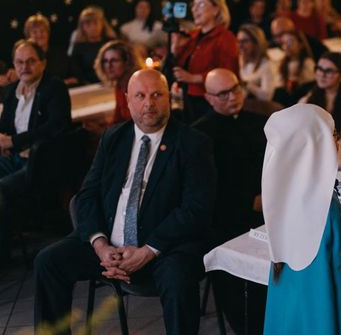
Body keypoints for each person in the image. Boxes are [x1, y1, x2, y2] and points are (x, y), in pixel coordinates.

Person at [34, 69, 216, 335]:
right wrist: (100, 246)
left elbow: (196, 209)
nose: (149, 103)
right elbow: (87, 194)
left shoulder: (193, 143)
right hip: (108, 246)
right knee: (48, 262)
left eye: (157, 95)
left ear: (169, 98)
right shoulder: (113, 137)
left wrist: (148, 250)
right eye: (140, 96)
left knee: (178, 278)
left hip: (163, 248)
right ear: (127, 99)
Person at [262, 103, 341, 335]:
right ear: (315, 144)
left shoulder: (283, 196)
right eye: (333, 134)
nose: (338, 141)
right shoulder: (326, 209)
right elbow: (339, 280)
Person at [193, 68, 267, 334]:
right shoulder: (199, 135)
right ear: (208, 98)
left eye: (235, 89)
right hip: (227, 217)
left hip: (269, 209)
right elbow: (207, 189)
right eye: (223, 94)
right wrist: (248, 201)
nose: (232, 97)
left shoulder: (263, 122)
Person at [0, 40, 71, 262]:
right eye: (19, 62)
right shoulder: (10, 91)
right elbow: (5, 126)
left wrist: (13, 141)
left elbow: (55, 127)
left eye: (31, 61)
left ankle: (3, 252)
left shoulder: (54, 88)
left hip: (39, 163)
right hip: (13, 157)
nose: (25, 67)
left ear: (43, 62)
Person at [173, 0, 239, 123]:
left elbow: (228, 73)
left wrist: (193, 78)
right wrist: (175, 45)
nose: (194, 9)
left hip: (209, 103)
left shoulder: (226, 38)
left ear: (216, 9)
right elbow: (177, 65)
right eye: (194, 5)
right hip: (186, 100)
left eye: (201, 4)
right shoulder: (192, 36)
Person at [94, 40, 144, 124]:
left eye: (114, 60)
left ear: (127, 62)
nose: (108, 66)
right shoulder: (120, 86)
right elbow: (117, 119)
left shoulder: (138, 86)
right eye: (105, 61)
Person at [70, 6, 117, 85]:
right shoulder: (78, 48)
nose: (93, 27)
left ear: (102, 24)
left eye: (95, 23)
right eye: (88, 24)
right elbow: (77, 73)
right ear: (82, 27)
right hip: (89, 87)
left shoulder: (112, 43)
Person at [24, 14, 75, 84]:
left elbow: (75, 78)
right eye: (35, 32)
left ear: (48, 33)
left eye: (42, 31)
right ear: (28, 36)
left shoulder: (61, 55)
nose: (39, 34)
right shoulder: (24, 59)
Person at [272, 31, 315, 107]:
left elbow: (310, 87)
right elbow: (279, 85)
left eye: (289, 42)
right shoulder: (282, 64)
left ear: (300, 44)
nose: (286, 46)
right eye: (283, 43)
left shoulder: (307, 63)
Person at [237, 24, 276, 101]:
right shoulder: (241, 60)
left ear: (256, 42)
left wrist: (247, 84)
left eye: (244, 41)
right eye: (238, 41)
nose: (240, 45)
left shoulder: (266, 65)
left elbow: (267, 96)